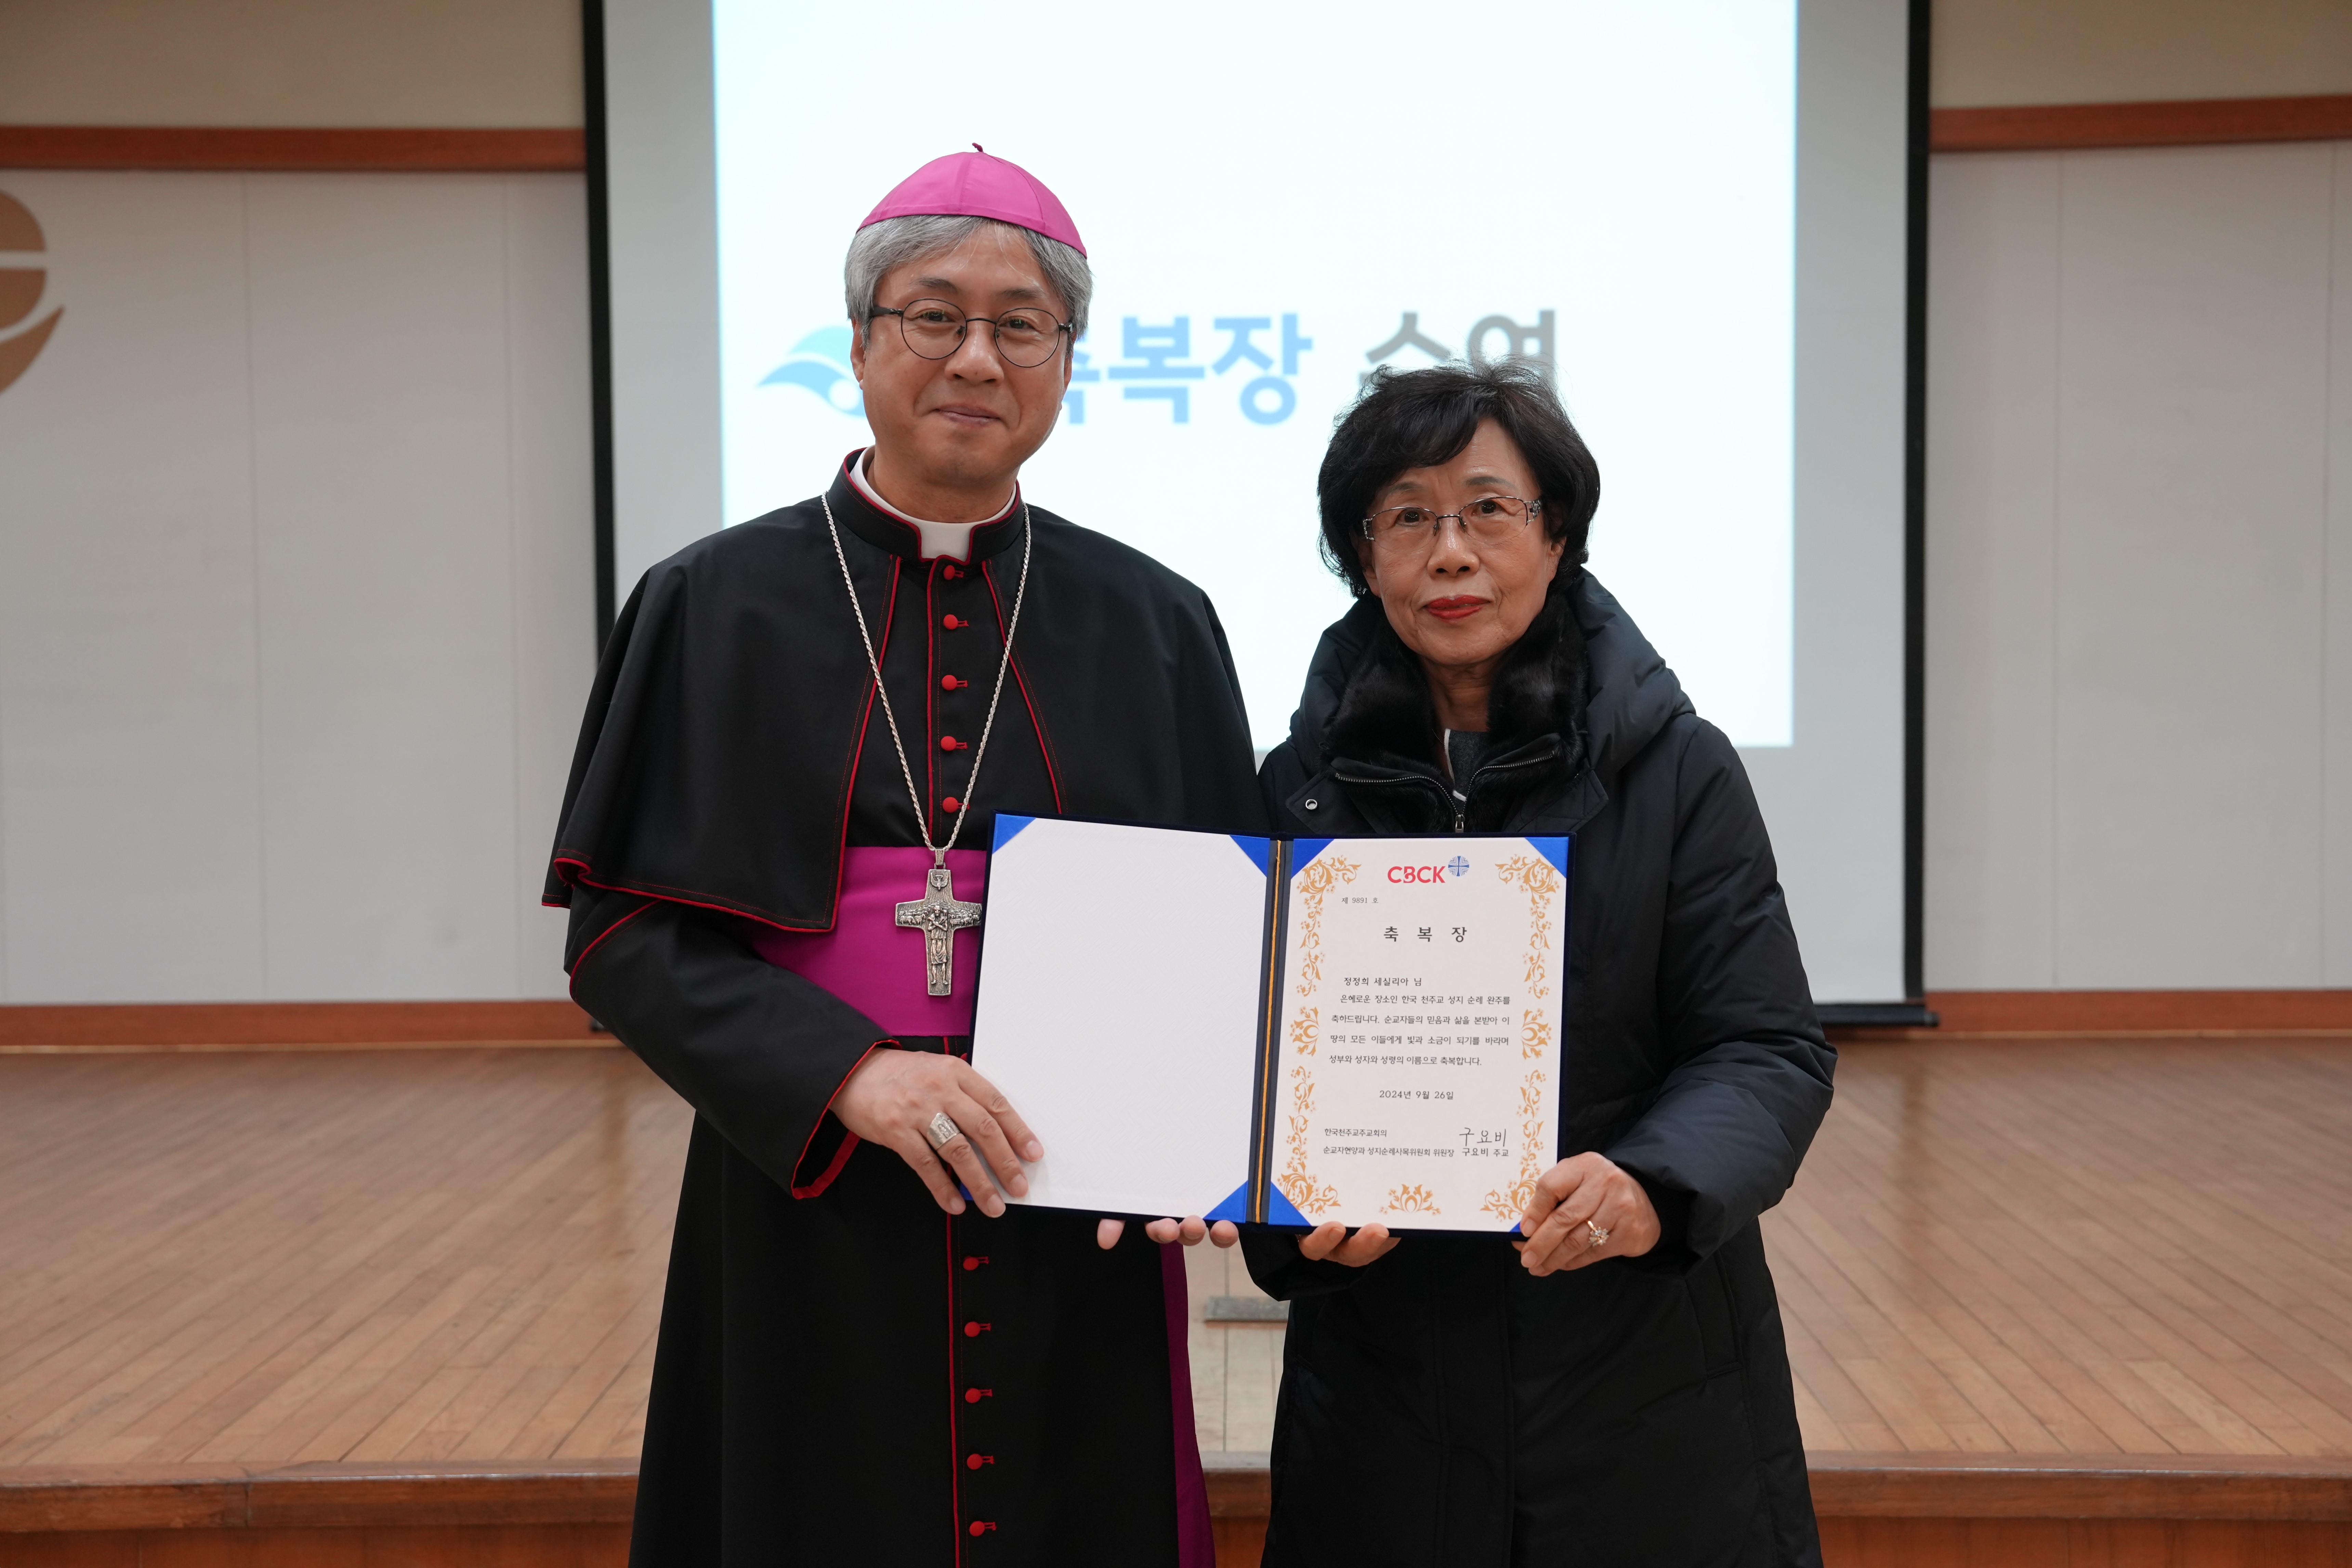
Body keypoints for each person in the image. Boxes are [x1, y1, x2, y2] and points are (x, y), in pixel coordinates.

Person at [545, 149, 1261, 1566]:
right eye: (933, 316)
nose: (976, 357)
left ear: (1066, 360)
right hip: (809, 1183)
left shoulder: (1156, 621)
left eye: (1023, 323)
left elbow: (1228, 929)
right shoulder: (709, 604)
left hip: (1071, 1176)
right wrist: (848, 1072)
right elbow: (619, 938)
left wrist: (1203, 1135)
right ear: (862, 341)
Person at [1248, 360, 1835, 1566]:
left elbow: (1765, 1045)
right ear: (1363, 555)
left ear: (1557, 534)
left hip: (1639, 1373)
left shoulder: (1678, 771)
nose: (1449, 552)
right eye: (1406, 516)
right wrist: (1289, 1217)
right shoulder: (1295, 791)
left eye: (1489, 509)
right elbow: (1245, 1064)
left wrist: (1653, 1183)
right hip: (1384, 1388)